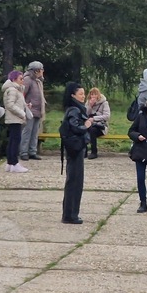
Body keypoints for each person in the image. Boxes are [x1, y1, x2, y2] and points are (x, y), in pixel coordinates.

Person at [60, 82, 92, 225]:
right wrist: (86, 125)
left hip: (74, 148)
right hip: (75, 148)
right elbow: (74, 126)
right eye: (81, 94)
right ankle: (71, 215)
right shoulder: (74, 109)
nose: (83, 96)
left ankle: (70, 213)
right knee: (75, 181)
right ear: (73, 95)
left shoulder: (74, 108)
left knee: (73, 180)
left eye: (84, 94)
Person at [1, 71, 29, 173]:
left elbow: (17, 103)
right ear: (14, 79)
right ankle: (14, 163)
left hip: (15, 118)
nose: (22, 81)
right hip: (14, 118)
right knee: (15, 141)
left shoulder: (17, 90)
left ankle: (10, 163)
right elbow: (10, 105)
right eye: (20, 79)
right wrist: (22, 113)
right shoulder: (12, 90)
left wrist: (25, 106)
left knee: (13, 140)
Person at [20, 61, 46, 161]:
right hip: (29, 110)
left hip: (37, 110)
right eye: (41, 69)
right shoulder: (28, 80)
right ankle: (23, 152)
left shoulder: (38, 81)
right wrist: (26, 105)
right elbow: (22, 94)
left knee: (35, 132)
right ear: (36, 70)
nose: (43, 71)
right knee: (27, 131)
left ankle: (32, 151)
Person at [86, 87, 110, 160]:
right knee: (83, 129)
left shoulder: (104, 103)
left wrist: (94, 119)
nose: (93, 96)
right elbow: (85, 114)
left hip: (100, 126)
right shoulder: (88, 103)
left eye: (95, 94)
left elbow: (107, 116)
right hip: (89, 125)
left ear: (98, 95)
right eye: (92, 94)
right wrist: (90, 106)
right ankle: (84, 151)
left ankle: (94, 152)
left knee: (92, 130)